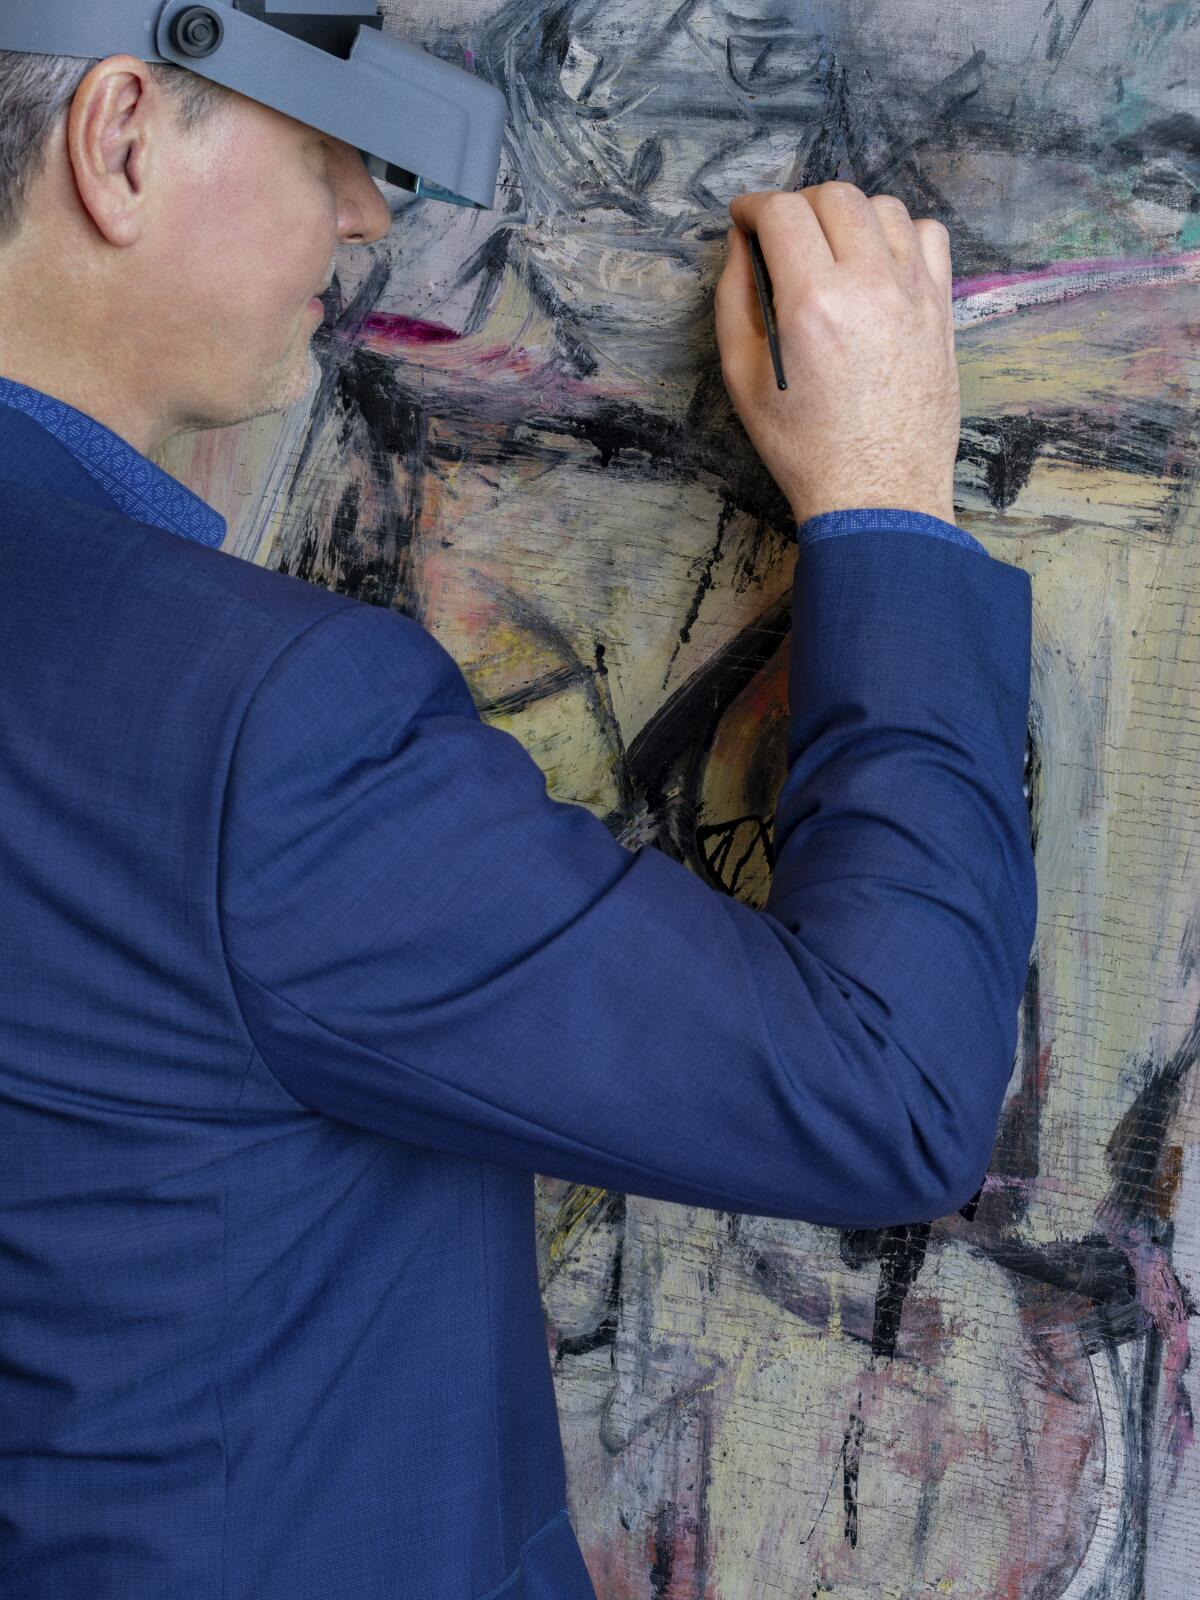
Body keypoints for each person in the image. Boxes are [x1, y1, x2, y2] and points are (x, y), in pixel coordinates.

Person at [0, 45, 1037, 1600]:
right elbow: (883, 1086)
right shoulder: (251, 722)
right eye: (321, 145)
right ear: (123, 136)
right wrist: (887, 499)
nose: (366, 212)